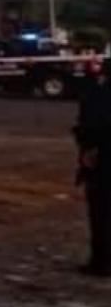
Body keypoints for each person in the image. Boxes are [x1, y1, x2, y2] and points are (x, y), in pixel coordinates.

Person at [75, 55, 111, 277]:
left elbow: (94, 124)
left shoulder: (100, 94)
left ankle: (102, 261)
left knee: (101, 213)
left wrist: (89, 149)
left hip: (103, 160)